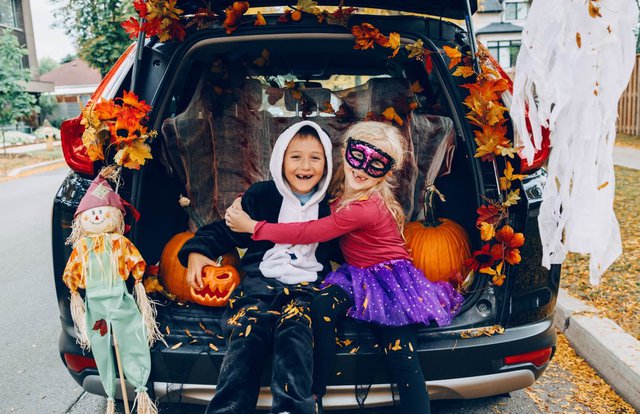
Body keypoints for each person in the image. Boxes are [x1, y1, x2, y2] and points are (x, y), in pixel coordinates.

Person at [225, 121, 464, 414]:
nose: (362, 169)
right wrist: (248, 201)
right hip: (357, 275)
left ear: (387, 172)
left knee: (400, 354)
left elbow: (309, 232)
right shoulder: (342, 187)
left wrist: (254, 227)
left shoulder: (365, 207)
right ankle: (315, 391)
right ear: (345, 152)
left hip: (389, 281)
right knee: (321, 309)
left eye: (376, 164)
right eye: (358, 156)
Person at [178, 120, 340, 414]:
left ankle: (292, 408)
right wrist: (197, 251)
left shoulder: (332, 206)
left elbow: (351, 246)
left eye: (315, 157)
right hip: (258, 285)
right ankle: (228, 409)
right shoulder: (262, 196)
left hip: (306, 290)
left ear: (326, 164)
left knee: (296, 336)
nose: (305, 165)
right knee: (246, 337)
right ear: (280, 159)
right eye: (296, 156)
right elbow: (225, 230)